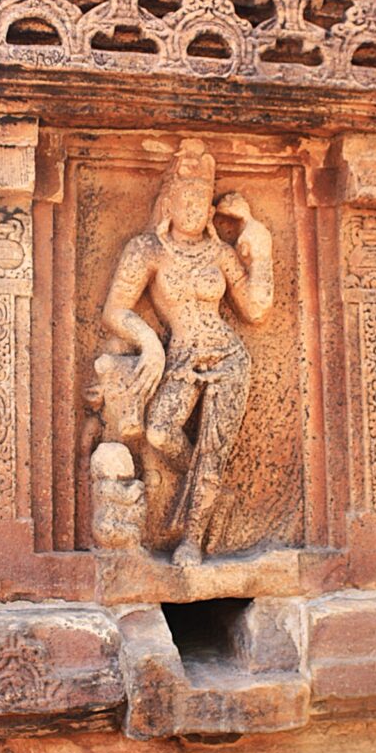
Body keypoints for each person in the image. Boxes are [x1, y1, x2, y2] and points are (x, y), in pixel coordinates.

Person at [101, 138, 273, 566]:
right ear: (169, 204)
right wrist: (149, 344)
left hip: (228, 357)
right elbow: (115, 310)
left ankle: (192, 541)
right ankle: (213, 491)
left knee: (213, 450)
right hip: (180, 357)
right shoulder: (147, 250)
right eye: (186, 199)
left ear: (212, 211)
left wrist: (260, 246)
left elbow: (255, 309)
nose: (195, 208)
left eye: (202, 200)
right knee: (160, 431)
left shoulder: (221, 253)